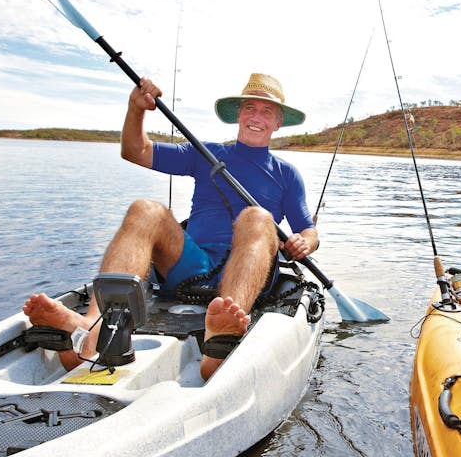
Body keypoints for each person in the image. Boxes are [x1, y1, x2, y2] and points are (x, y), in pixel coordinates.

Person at [23, 72, 319, 381]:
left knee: (256, 216)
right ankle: (93, 326)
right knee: (145, 209)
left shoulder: (287, 174)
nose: (256, 117)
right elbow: (135, 151)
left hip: (248, 273)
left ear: (278, 122)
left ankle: (223, 332)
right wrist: (136, 108)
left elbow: (307, 230)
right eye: (250, 108)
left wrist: (305, 242)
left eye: (266, 111)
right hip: (194, 267)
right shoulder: (206, 153)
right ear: (239, 115)